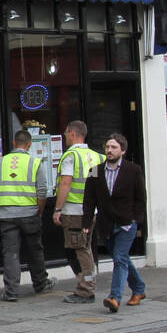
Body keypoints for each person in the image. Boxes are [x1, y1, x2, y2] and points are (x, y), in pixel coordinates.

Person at [81, 133, 147, 313]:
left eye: (114, 147)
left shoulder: (133, 170)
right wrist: (86, 222)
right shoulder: (95, 170)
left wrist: (137, 219)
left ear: (123, 151)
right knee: (123, 258)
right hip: (106, 223)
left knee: (118, 258)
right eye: (108, 147)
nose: (109, 151)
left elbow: (141, 198)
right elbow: (89, 199)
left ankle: (114, 297)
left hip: (126, 223)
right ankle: (139, 289)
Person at [0, 130, 52, 301]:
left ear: (13, 143)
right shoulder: (35, 162)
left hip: (6, 215)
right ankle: (40, 284)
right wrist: (39, 212)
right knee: (35, 250)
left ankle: (11, 292)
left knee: (10, 253)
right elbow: (42, 191)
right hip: (30, 213)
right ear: (29, 144)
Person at [53, 120, 105, 304]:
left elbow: (66, 183)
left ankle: (86, 289)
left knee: (79, 250)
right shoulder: (96, 157)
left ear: (73, 134)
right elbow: (97, 186)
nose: (65, 136)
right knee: (84, 248)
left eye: (66, 133)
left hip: (74, 211)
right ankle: (87, 284)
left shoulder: (71, 156)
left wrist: (58, 209)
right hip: (90, 212)